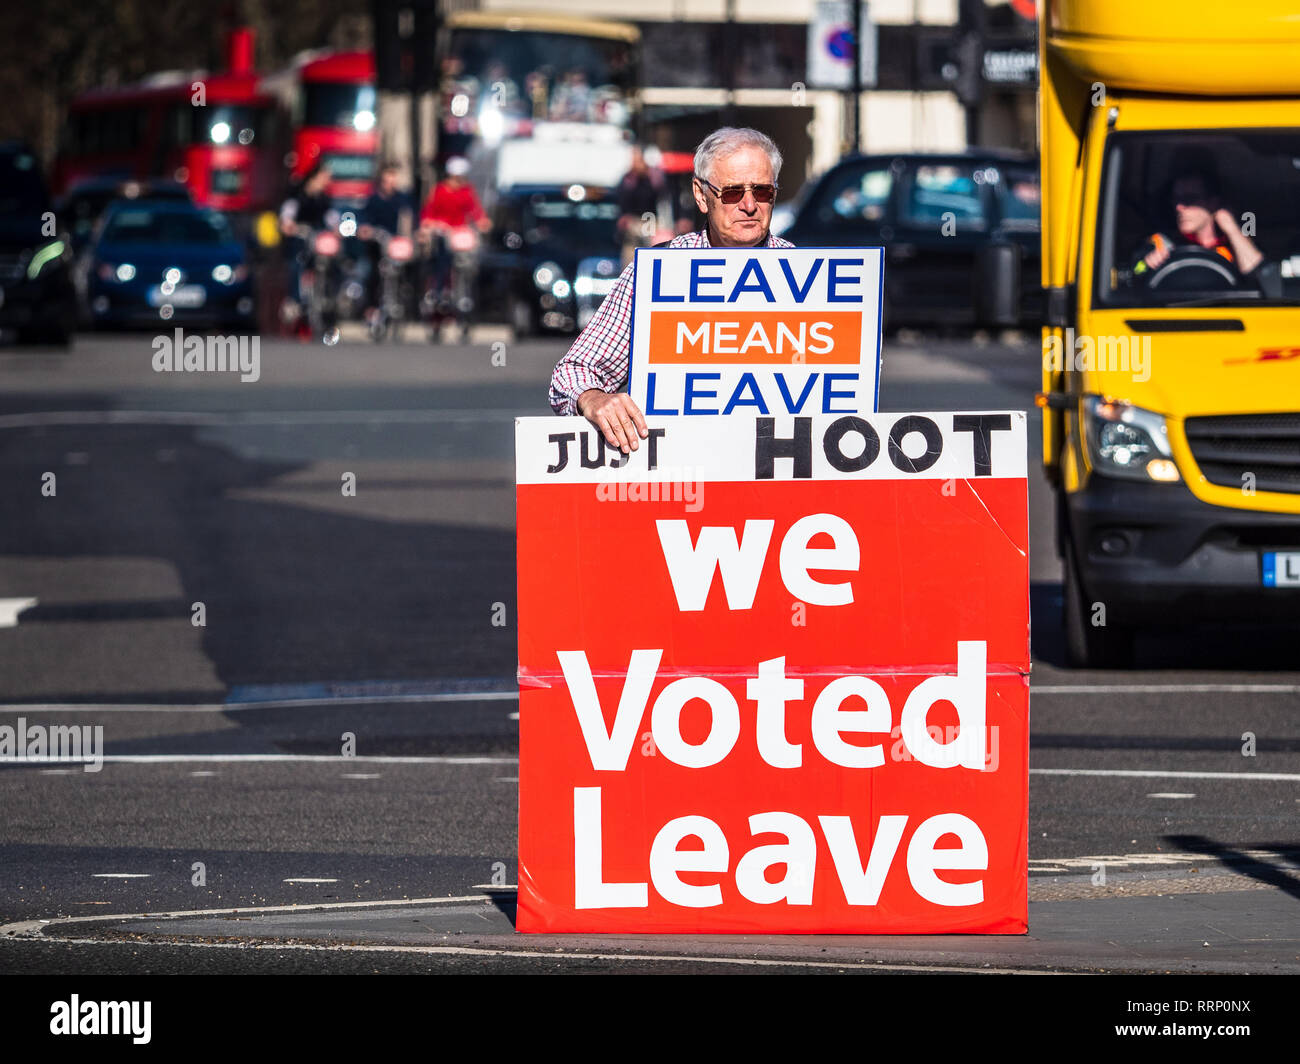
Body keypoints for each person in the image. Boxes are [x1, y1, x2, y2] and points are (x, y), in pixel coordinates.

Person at [549, 127, 793, 453]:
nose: (749, 205)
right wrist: (594, 399)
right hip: (683, 477)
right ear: (700, 195)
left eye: (762, 192)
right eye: (733, 192)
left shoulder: (808, 273)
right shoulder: (657, 273)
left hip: (780, 479)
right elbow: (573, 372)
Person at [1130, 167, 1263, 282]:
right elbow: (1134, 272)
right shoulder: (1161, 243)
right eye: (1176, 199)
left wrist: (1231, 228)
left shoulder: (1236, 245)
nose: (1179, 207)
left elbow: (1261, 278)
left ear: (1213, 203)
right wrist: (1146, 264)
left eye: (1189, 199)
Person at [356, 164, 415, 319]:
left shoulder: (402, 199)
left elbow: (410, 218)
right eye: (387, 181)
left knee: (409, 270)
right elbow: (363, 218)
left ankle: (405, 300)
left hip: (396, 246)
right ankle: (371, 307)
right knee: (372, 273)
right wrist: (365, 229)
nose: (390, 184)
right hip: (377, 244)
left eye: (393, 181)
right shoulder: (372, 200)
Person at [279, 162, 334, 313]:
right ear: (315, 177)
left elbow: (331, 217)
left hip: (318, 240)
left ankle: (329, 296)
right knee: (297, 262)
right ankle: (294, 299)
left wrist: (337, 229)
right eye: (325, 177)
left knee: (334, 261)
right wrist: (289, 225)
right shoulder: (298, 195)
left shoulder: (324, 199)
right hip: (300, 239)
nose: (328, 181)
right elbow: (287, 214)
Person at [616, 146, 664, 267]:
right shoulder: (628, 179)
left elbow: (659, 195)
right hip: (633, 221)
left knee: (649, 252)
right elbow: (622, 199)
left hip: (649, 220)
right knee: (630, 255)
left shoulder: (653, 178)